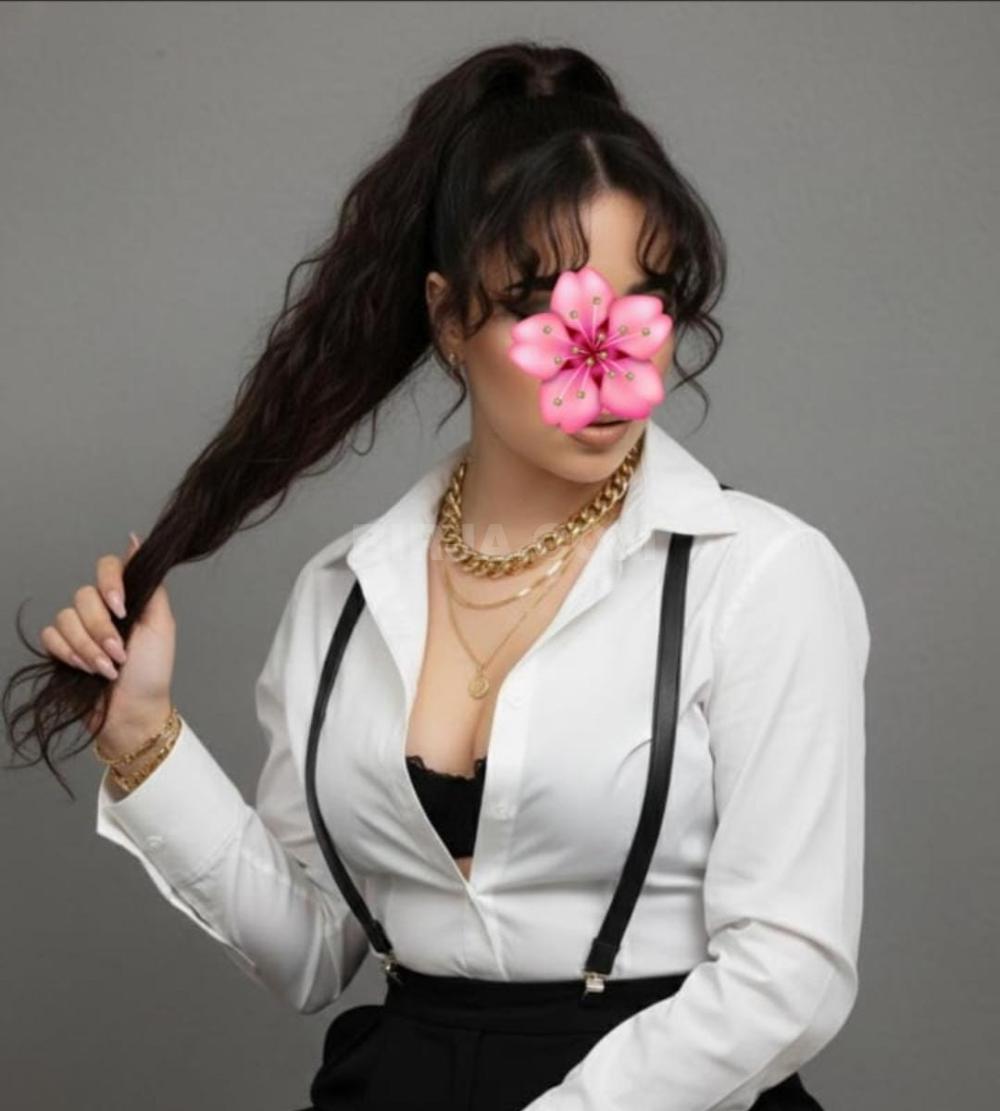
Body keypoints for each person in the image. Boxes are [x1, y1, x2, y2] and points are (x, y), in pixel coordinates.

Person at [7, 40, 870, 1111]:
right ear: (450, 316)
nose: (604, 355)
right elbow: (310, 950)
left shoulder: (760, 577)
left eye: (641, 299)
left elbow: (789, 969)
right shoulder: (342, 594)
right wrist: (142, 737)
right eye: (543, 303)